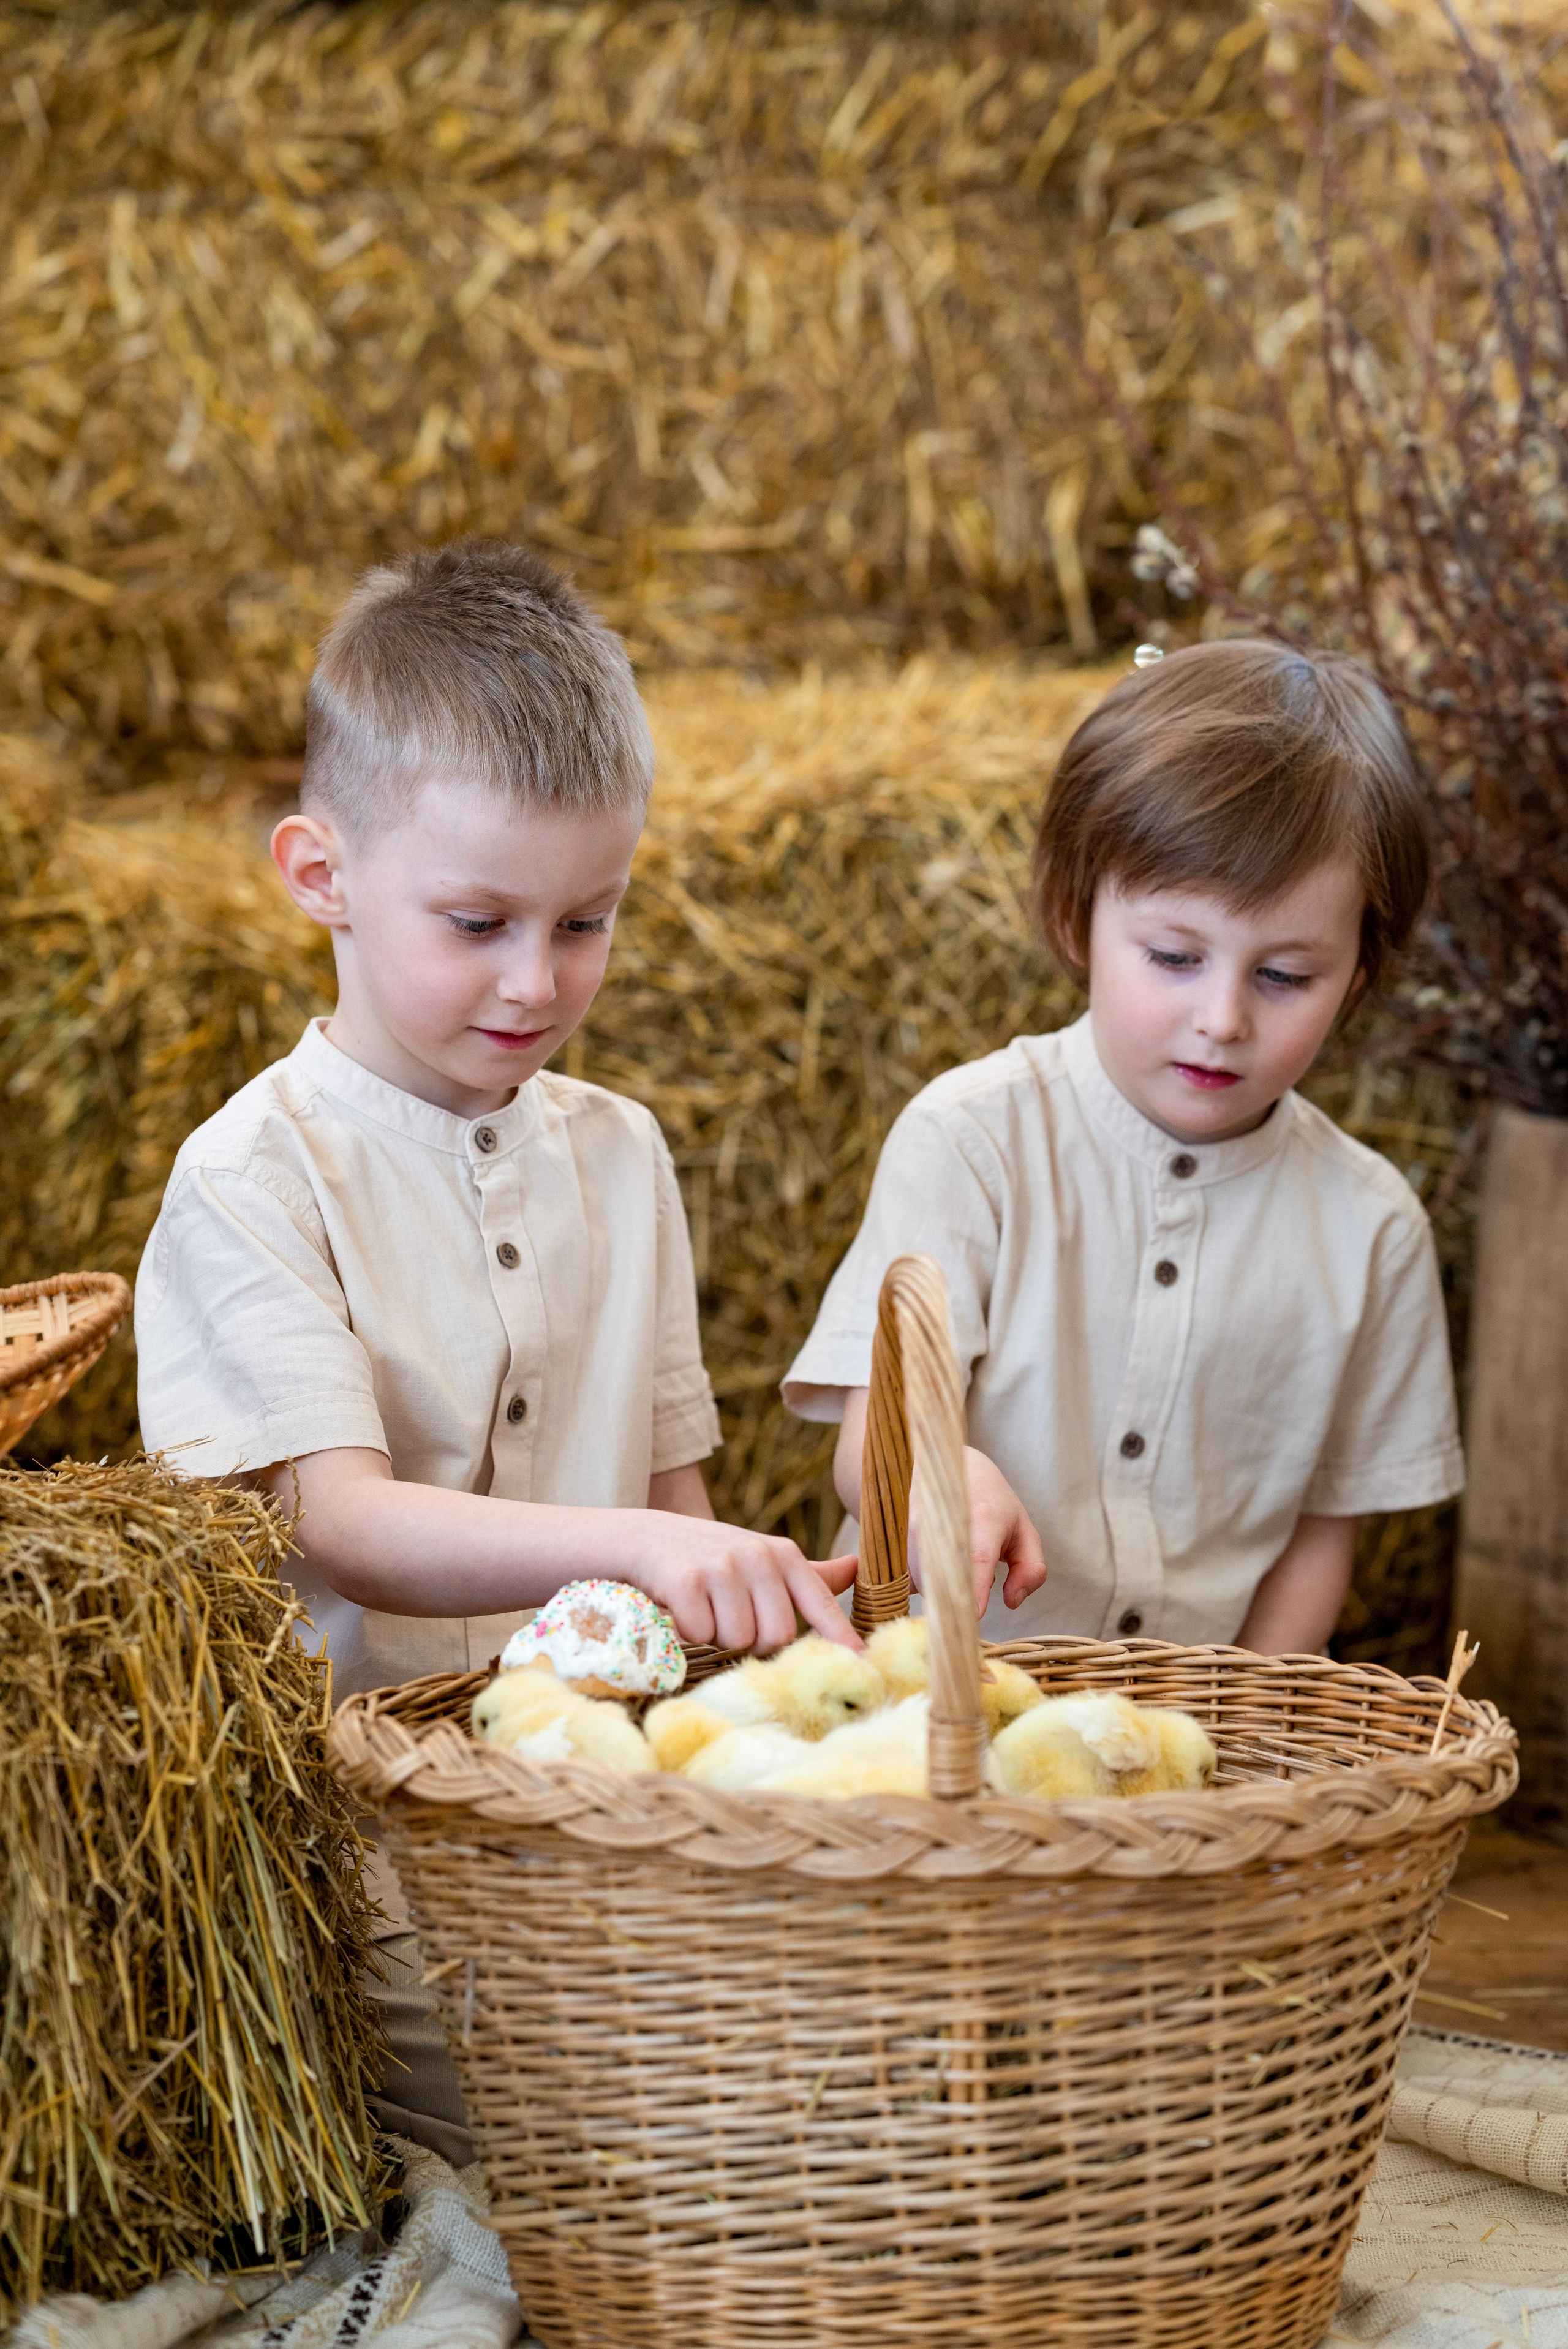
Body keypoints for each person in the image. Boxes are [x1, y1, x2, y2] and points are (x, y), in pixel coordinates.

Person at [135, 538, 857, 2162]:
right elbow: (335, 1519)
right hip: (363, 1852)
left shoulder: (625, 1155)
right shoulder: (255, 1175)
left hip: (611, 1821)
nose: (539, 981)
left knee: (856, 2050)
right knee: (653, 2118)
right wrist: (652, 1544)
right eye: (478, 921)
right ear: (319, 871)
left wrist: (773, 1632)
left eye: (586, 921)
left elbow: (676, 1489)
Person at [784, 639, 1463, 1657]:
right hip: (922, 1707)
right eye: (1175, 958)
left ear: (1359, 973)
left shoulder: (1372, 1230)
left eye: (1285, 977)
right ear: (1077, 914)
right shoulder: (970, 1141)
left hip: (1179, 1746)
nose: (1221, 1018)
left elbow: (1321, 1538)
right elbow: (871, 1434)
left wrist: (1248, 1749)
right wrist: (943, 1480)